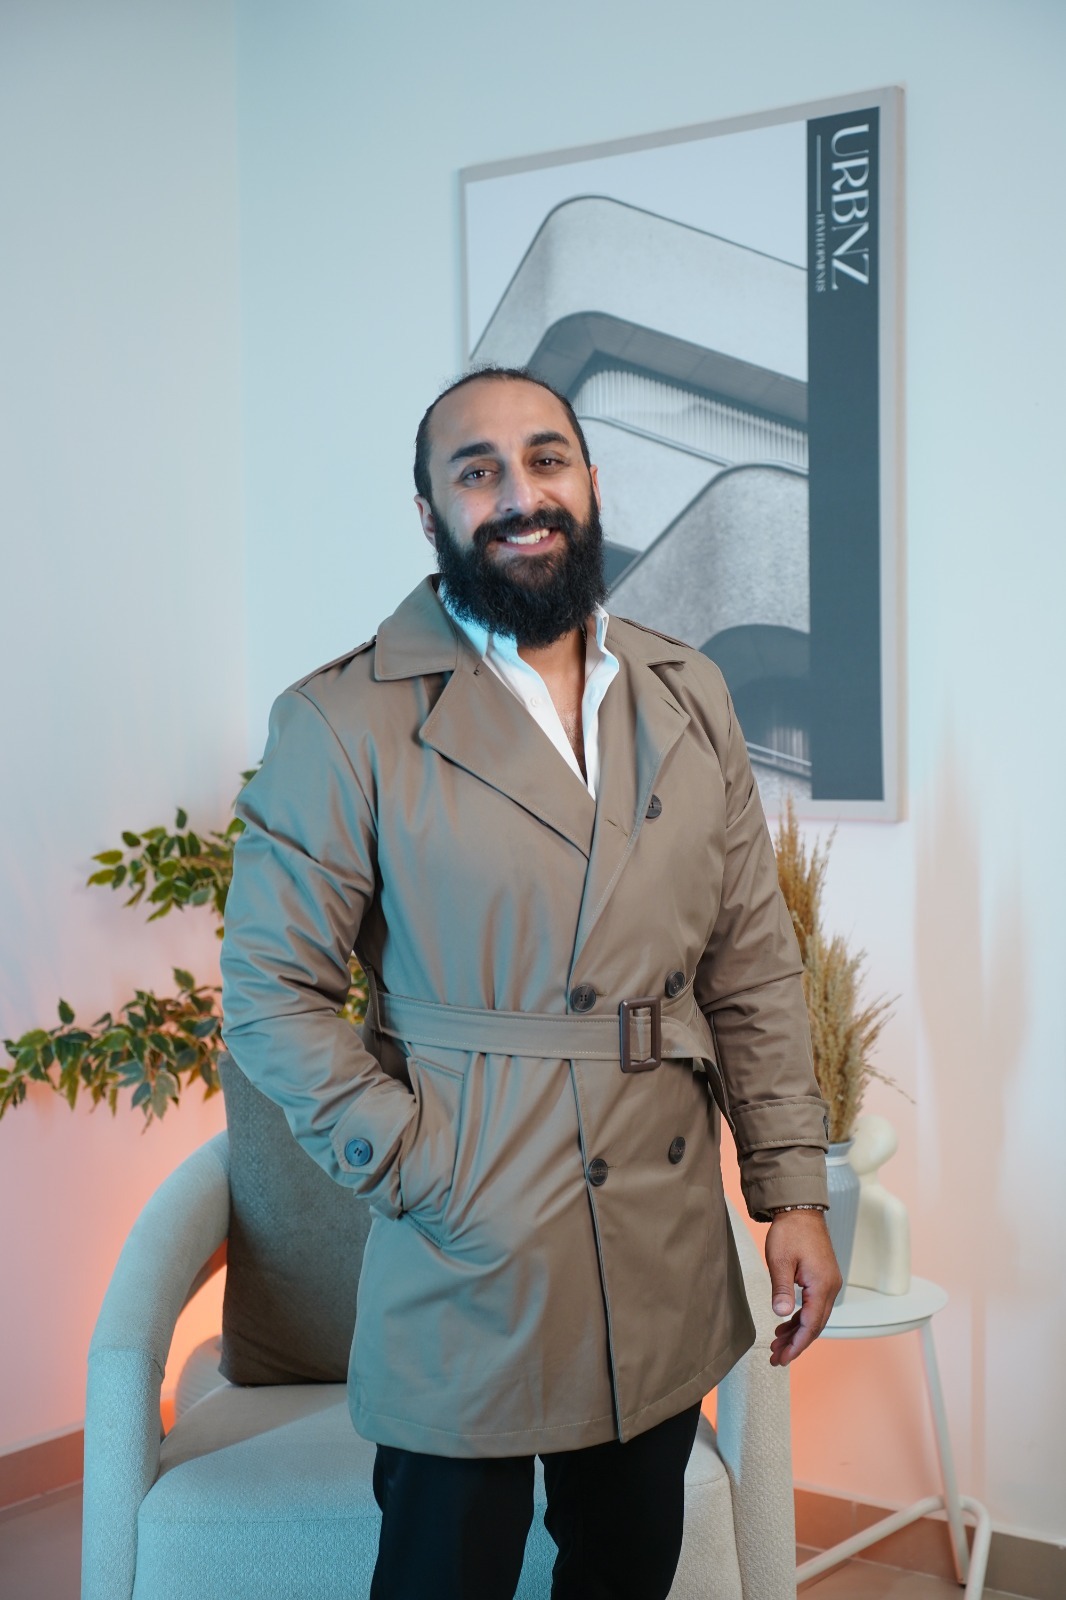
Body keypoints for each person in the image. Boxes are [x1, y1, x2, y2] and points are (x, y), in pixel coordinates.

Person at [220, 366, 841, 1600]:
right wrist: (424, 1169)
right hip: (470, 1244)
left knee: (626, 1572)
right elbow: (269, 994)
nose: (520, 494)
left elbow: (749, 961)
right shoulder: (343, 720)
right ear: (429, 512)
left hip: (659, 1236)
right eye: (478, 470)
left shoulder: (686, 693)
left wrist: (792, 1190)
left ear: (589, 481)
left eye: (546, 458)